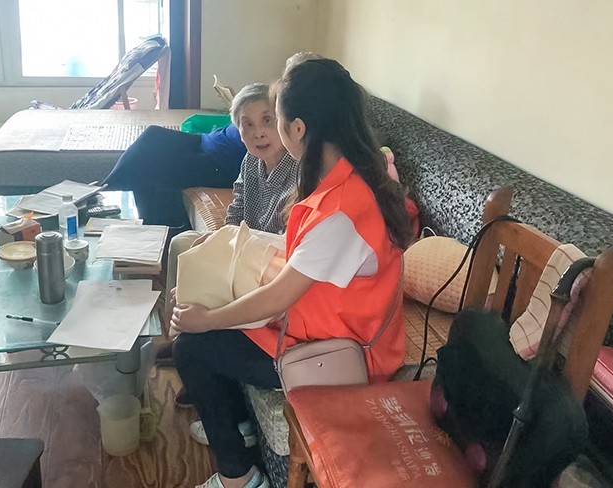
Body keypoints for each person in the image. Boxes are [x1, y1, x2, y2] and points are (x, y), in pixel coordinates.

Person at [171, 58, 413, 488]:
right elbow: (296, 260)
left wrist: (207, 318)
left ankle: (239, 477)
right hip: (321, 328)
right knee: (206, 310)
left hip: (342, 357)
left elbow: (279, 295)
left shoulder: (342, 209)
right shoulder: (351, 175)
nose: (270, 129)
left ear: (297, 128)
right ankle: (238, 426)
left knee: (192, 345)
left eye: (275, 118)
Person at [158, 83, 299, 406]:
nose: (258, 132)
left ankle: (193, 354)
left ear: (282, 122)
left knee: (203, 276)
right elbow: (236, 209)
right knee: (184, 244)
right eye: (246, 125)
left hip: (268, 260)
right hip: (243, 247)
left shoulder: (298, 169)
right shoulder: (250, 162)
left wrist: (227, 249)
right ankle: (179, 333)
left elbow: (286, 239)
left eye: (266, 120)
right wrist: (218, 239)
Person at [102, 121, 246, 229]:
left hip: (221, 163)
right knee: (153, 135)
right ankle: (104, 192)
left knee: (148, 160)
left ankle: (104, 192)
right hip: (207, 141)